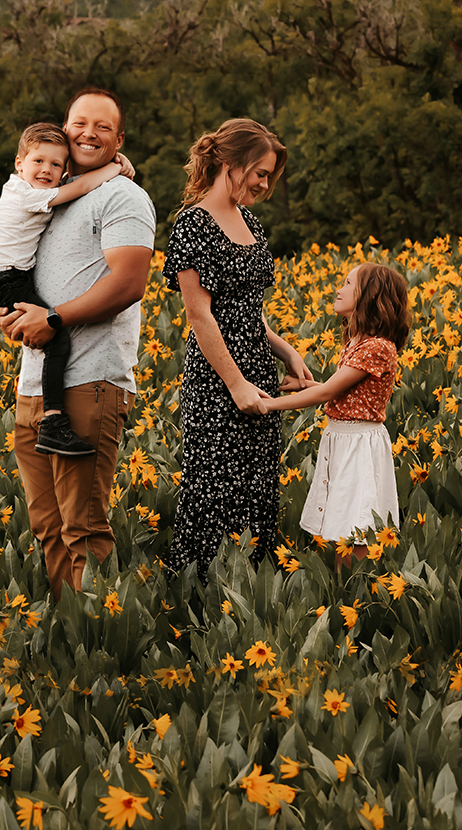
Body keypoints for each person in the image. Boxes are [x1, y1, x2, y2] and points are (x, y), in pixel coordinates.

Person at [0, 88, 156, 599]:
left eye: (102, 127)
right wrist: (15, 316)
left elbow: (128, 283)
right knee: (48, 530)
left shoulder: (123, 196)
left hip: (89, 380)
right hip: (36, 383)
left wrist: (55, 319)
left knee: (83, 531)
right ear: (63, 129)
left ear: (119, 139)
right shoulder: (51, 189)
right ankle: (68, 650)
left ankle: (102, 649)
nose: (88, 133)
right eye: (79, 124)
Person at [163, 119, 314, 583]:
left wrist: (285, 350)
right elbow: (200, 315)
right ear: (229, 164)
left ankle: (252, 605)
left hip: (256, 371)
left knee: (257, 490)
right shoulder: (192, 224)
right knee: (213, 493)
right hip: (217, 379)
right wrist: (236, 383)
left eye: (269, 176)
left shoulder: (249, 221)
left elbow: (249, 308)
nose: (265, 184)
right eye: (260, 172)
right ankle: (194, 604)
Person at [0, 121, 132, 459]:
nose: (46, 170)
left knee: (49, 337)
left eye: (55, 164)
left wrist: (113, 162)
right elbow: (76, 189)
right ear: (19, 164)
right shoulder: (24, 192)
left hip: (8, 279)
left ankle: (50, 419)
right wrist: (115, 166)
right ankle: (53, 421)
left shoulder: (33, 188)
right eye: (38, 161)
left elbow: (73, 183)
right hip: (7, 279)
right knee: (57, 338)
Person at [259, 261, 410, 570]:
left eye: (347, 284)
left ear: (370, 296)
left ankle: (356, 592)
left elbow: (327, 393)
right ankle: (345, 591)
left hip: (358, 445)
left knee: (357, 524)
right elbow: (344, 391)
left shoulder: (378, 347)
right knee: (344, 520)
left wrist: (269, 403)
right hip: (343, 437)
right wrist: (304, 385)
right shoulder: (358, 341)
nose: (338, 289)